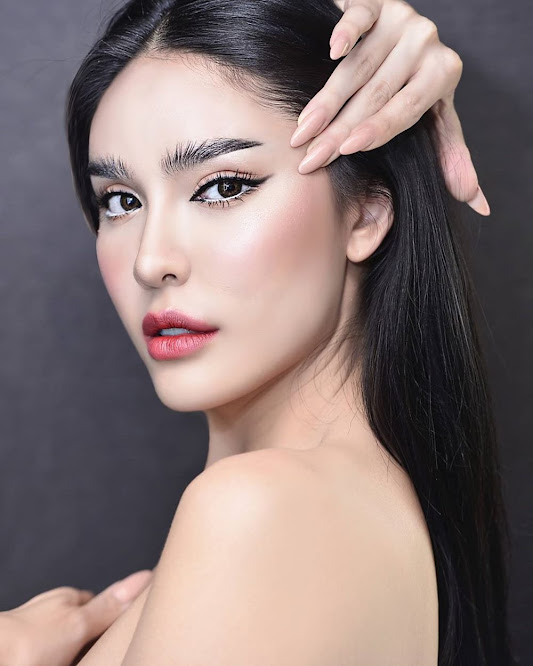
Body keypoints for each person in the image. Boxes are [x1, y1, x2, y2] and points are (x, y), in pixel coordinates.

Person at [0, 0, 509, 664]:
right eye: (121, 201)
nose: (151, 260)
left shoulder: (261, 511)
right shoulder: (331, 513)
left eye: (222, 187)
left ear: (365, 213)